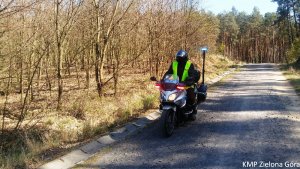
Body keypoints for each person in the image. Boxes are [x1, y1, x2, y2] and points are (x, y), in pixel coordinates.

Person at [163, 49, 200, 115]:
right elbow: (169, 72)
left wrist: (189, 79)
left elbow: (192, 73)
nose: (179, 59)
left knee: (191, 96)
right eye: (178, 58)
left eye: (181, 58)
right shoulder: (174, 63)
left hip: (187, 85)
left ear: (185, 57)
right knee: (167, 95)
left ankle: (193, 109)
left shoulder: (189, 64)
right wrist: (164, 79)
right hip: (175, 84)